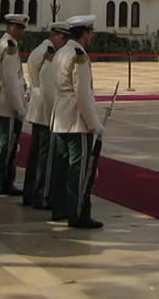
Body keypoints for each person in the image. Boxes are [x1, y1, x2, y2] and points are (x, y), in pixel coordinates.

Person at [49, 14, 104, 228]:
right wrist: (93, 123)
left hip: (60, 116)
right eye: (90, 32)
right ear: (84, 33)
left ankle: (60, 208)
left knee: (61, 168)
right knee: (78, 170)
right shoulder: (79, 55)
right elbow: (82, 94)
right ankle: (78, 212)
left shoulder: (61, 52)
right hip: (75, 120)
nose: (91, 37)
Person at [24, 21, 68, 208]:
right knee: (45, 157)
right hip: (45, 111)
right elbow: (49, 87)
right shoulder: (49, 54)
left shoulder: (40, 49)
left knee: (36, 155)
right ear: (56, 35)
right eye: (64, 38)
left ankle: (31, 192)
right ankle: (41, 194)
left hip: (37, 107)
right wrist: (55, 114)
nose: (64, 43)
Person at [0, 12, 29, 196]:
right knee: (8, 145)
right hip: (7, 102)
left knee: (0, 143)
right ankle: (3, 181)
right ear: (11, 27)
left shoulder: (0, 44)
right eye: (19, 27)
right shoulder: (9, 47)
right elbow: (11, 80)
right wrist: (19, 107)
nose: (21, 31)